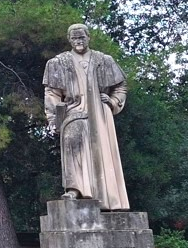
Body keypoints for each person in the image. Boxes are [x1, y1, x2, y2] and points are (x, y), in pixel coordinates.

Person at [43, 24, 129, 210]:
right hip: (73, 111)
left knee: (102, 153)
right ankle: (75, 189)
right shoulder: (59, 62)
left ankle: (107, 198)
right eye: (74, 38)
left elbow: (121, 86)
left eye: (81, 37)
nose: (78, 41)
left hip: (100, 113)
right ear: (69, 39)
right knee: (72, 141)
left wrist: (113, 101)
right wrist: (54, 118)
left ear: (88, 37)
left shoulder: (104, 60)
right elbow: (51, 93)